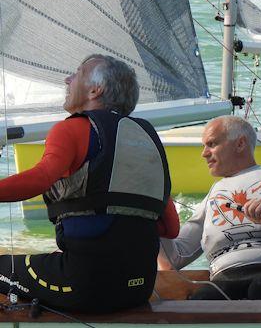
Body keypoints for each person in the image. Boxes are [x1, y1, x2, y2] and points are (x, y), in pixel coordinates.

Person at [0, 55, 178, 313]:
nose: (67, 79)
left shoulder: (71, 129)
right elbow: (171, 228)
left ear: (96, 90)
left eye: (77, 73)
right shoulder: (147, 140)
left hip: (85, 287)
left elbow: (42, 177)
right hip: (139, 288)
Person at [158, 115, 261, 300]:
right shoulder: (212, 196)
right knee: (199, 306)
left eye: (212, 144)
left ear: (240, 144)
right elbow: (172, 260)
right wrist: (154, 214)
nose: (204, 153)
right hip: (224, 278)